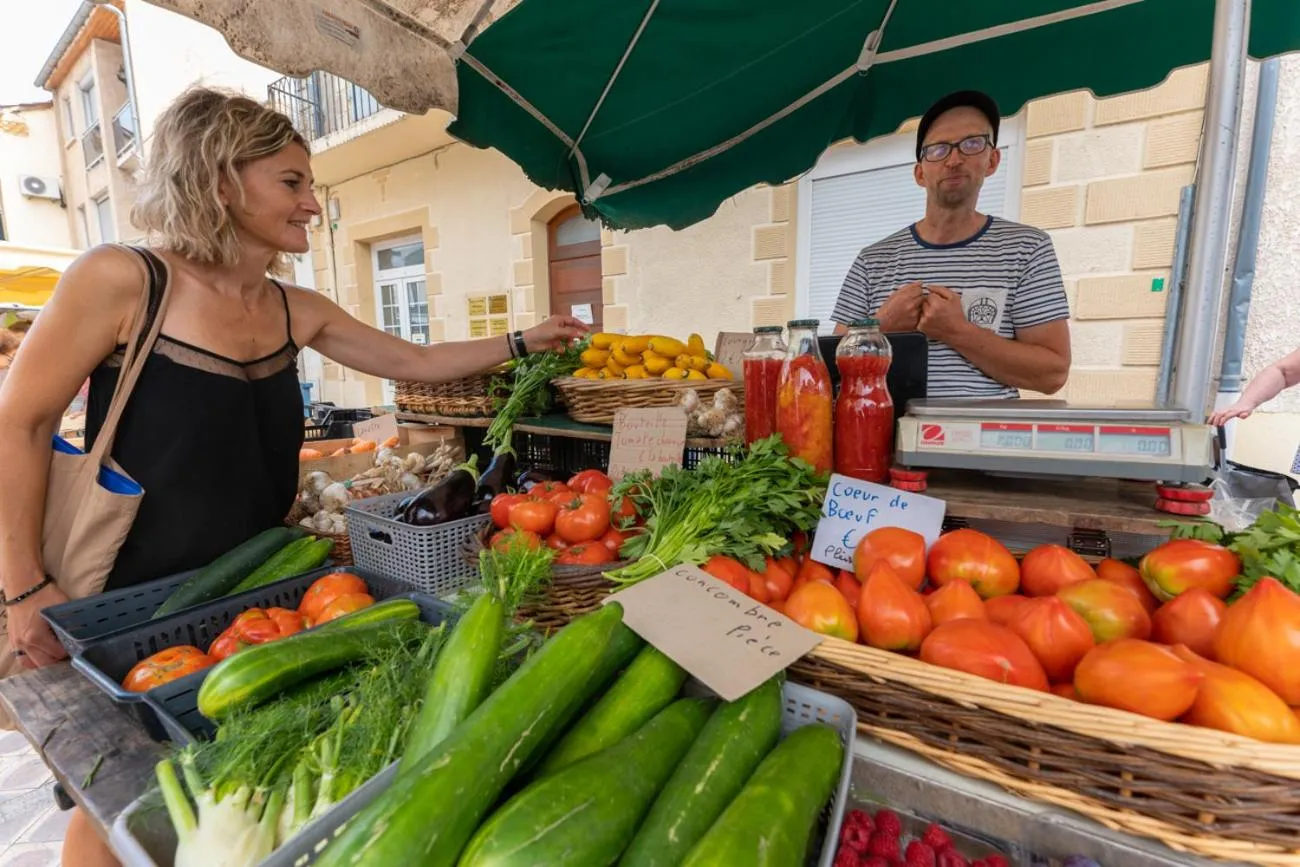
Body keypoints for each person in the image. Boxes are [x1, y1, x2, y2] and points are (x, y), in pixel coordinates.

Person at [0, 87, 586, 867]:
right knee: (116, 797)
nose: (313, 203)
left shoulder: (293, 307)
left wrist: (524, 339)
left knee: (220, 775)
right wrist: (22, 586)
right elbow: (20, 422)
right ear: (218, 180)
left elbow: (413, 362)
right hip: (121, 593)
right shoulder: (122, 280)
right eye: (291, 182)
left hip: (256, 588)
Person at [831, 90, 1072, 399]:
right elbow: (828, 368)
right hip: (886, 439)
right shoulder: (872, 260)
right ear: (920, 172)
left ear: (992, 160)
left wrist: (957, 332)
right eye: (939, 149)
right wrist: (882, 325)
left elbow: (1052, 374)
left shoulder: (1027, 249)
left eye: (972, 144)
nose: (954, 159)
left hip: (986, 443)